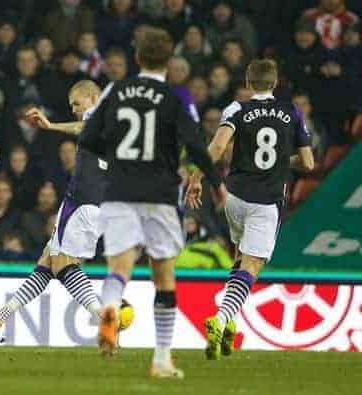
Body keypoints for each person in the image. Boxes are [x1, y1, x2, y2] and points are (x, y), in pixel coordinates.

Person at [78, 28, 225, 378]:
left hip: (119, 191)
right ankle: (161, 359)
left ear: (138, 57)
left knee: (120, 267)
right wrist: (217, 184)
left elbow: (88, 137)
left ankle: (111, 306)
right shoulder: (173, 98)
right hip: (160, 193)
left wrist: (115, 155)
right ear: (170, 60)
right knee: (164, 276)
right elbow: (197, 146)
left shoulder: (116, 90)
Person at [185, 59, 314, 360]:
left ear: (248, 81)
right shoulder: (291, 111)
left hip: (235, 197)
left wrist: (195, 178)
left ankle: (230, 325)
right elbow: (308, 163)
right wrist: (284, 162)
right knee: (252, 267)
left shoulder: (235, 109)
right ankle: (220, 318)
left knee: (241, 258)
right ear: (276, 81)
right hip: (266, 201)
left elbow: (216, 149)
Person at [0, 80, 107, 334]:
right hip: (92, 201)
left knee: (64, 265)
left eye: (77, 103)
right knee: (47, 263)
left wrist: (51, 126)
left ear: (93, 97)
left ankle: (103, 317)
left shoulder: (98, 114)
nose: (74, 109)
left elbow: (86, 126)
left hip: (82, 200)